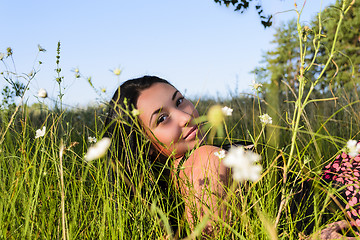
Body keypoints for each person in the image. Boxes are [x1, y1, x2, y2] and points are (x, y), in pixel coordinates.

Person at [104, 75, 357, 239]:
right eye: (162, 119)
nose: (185, 117)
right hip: (342, 194)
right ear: (145, 144)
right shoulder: (204, 158)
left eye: (179, 101)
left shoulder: (162, 191)